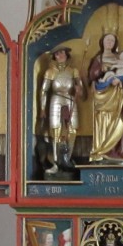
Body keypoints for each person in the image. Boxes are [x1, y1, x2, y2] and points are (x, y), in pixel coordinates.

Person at [87, 32, 123, 163]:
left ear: (115, 44)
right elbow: (92, 75)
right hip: (103, 96)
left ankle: (119, 150)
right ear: (102, 42)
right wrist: (102, 71)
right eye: (107, 40)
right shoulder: (98, 59)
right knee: (104, 122)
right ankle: (103, 149)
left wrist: (121, 81)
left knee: (120, 121)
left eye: (112, 41)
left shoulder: (121, 59)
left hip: (119, 95)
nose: (109, 43)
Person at [38, 45, 84, 175]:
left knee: (73, 129)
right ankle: (56, 163)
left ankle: (67, 160)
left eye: (62, 53)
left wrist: (79, 89)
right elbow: (44, 91)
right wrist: (42, 108)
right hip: (56, 99)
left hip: (69, 99)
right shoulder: (50, 71)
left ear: (67, 54)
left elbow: (81, 89)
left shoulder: (73, 70)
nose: (60, 55)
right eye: (57, 54)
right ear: (54, 57)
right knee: (55, 130)